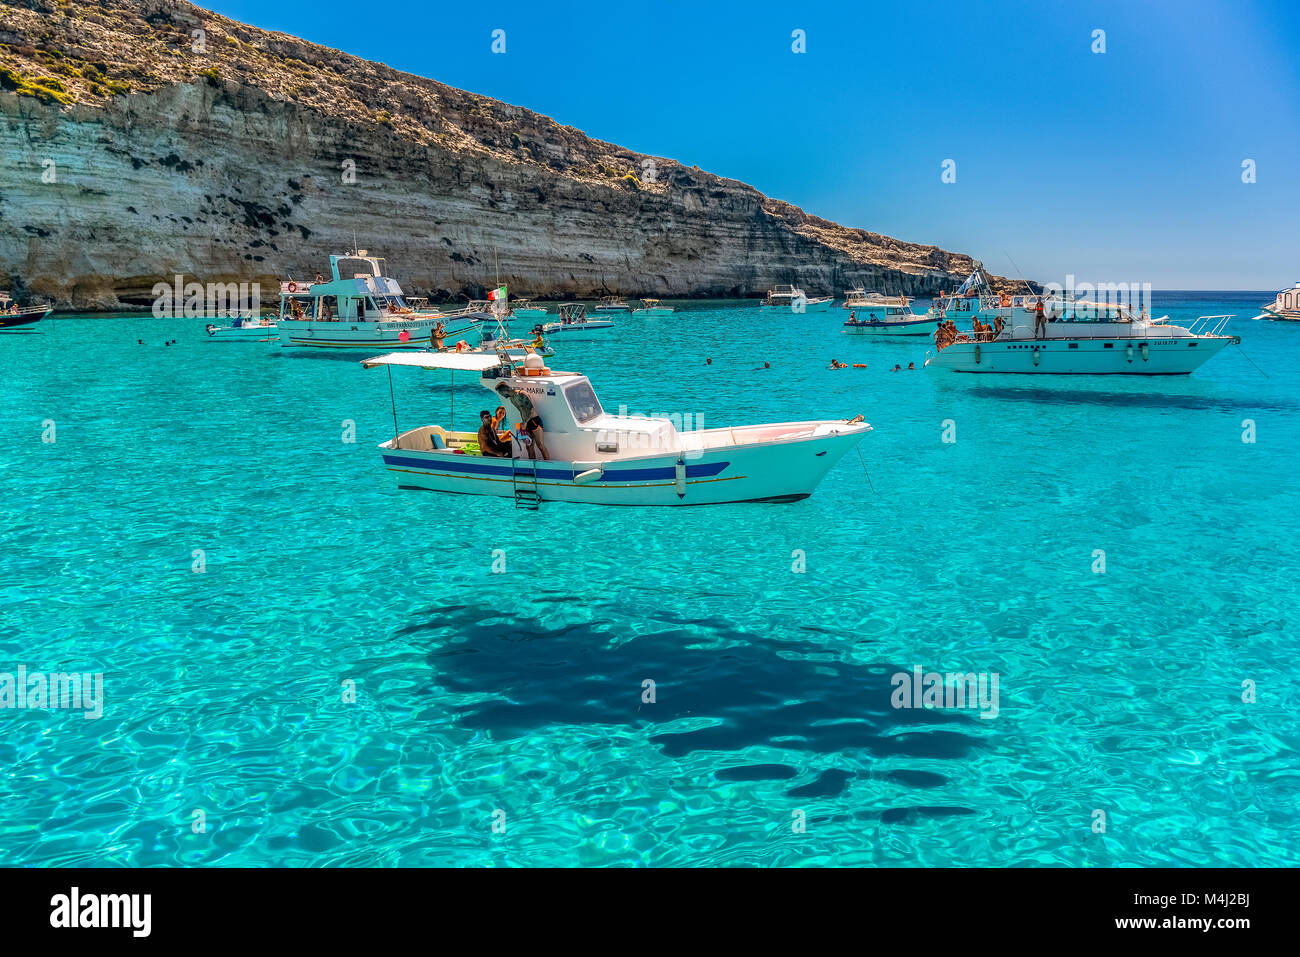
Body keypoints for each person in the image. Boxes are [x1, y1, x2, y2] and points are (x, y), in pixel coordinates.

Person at [495, 382, 550, 460]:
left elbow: (531, 409)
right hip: (525, 423)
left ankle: (547, 466)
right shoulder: (512, 399)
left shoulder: (521, 394)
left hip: (534, 421)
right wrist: (523, 423)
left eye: (501, 393)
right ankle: (532, 467)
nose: (502, 395)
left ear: (504, 390)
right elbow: (522, 411)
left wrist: (525, 422)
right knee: (529, 446)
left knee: (540, 445)